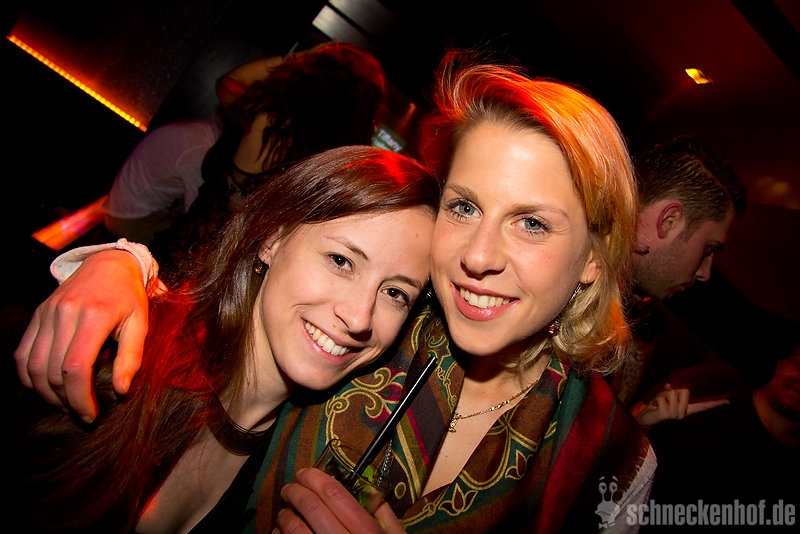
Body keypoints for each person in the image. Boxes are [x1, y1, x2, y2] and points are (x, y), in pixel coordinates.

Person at [15, 51, 654, 533]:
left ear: (593, 260)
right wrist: (118, 262)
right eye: (464, 207)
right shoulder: (374, 331)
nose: (478, 257)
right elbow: (232, 313)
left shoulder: (609, 460)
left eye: (532, 222)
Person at [12, 145, 437, 533]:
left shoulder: (297, 471)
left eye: (395, 293)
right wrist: (119, 260)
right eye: (340, 260)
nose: (359, 317)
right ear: (273, 238)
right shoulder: (120, 360)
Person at [103, 42, 386, 247]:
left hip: (187, 255)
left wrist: (301, 58)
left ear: (307, 79)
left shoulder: (265, 120)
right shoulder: (324, 162)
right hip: (222, 270)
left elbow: (230, 83)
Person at [607, 136, 748, 425]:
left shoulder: (619, 333)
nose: (705, 273)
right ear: (669, 221)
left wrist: (640, 424)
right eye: (708, 249)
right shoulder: (561, 280)